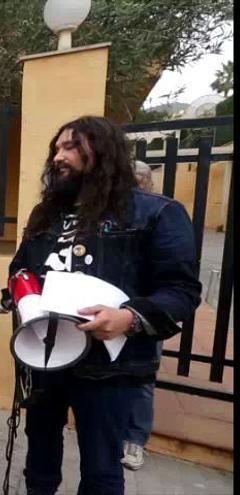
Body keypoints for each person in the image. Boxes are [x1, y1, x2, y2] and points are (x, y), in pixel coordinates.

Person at [11, 116, 201, 494]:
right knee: (39, 462)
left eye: (71, 147)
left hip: (109, 369)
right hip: (47, 357)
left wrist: (128, 317)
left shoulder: (156, 212)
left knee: (101, 471)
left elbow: (181, 291)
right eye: (56, 149)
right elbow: (21, 268)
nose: (58, 157)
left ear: (102, 151)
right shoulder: (45, 214)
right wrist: (25, 298)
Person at [121, 159, 159, 471]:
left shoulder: (159, 217)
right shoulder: (110, 218)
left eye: (140, 181)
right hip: (111, 311)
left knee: (143, 378)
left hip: (144, 311)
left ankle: (135, 439)